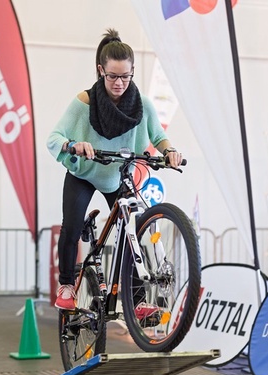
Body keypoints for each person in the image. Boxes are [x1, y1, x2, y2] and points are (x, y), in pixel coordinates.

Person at [47, 28, 183, 311]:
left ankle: (137, 303)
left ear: (133, 72)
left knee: (133, 231)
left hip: (118, 175)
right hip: (84, 173)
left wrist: (170, 151)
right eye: (112, 76)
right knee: (71, 227)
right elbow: (54, 139)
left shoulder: (143, 105)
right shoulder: (84, 102)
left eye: (125, 76)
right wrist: (74, 145)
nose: (119, 82)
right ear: (101, 71)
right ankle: (67, 285)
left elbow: (158, 137)